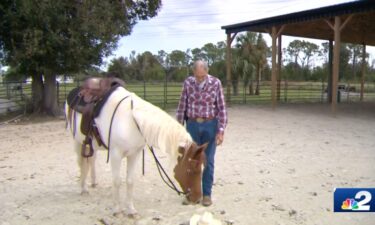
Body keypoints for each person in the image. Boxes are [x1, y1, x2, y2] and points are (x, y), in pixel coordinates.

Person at [176, 60, 228, 206]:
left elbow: (222, 108)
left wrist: (221, 131)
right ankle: (193, 193)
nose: (199, 79)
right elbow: (182, 106)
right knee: (191, 160)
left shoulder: (216, 83)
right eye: (197, 76)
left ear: (206, 71)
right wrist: (179, 128)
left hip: (210, 125)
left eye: (202, 76)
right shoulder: (188, 83)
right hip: (192, 124)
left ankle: (206, 194)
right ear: (193, 73)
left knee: (208, 161)